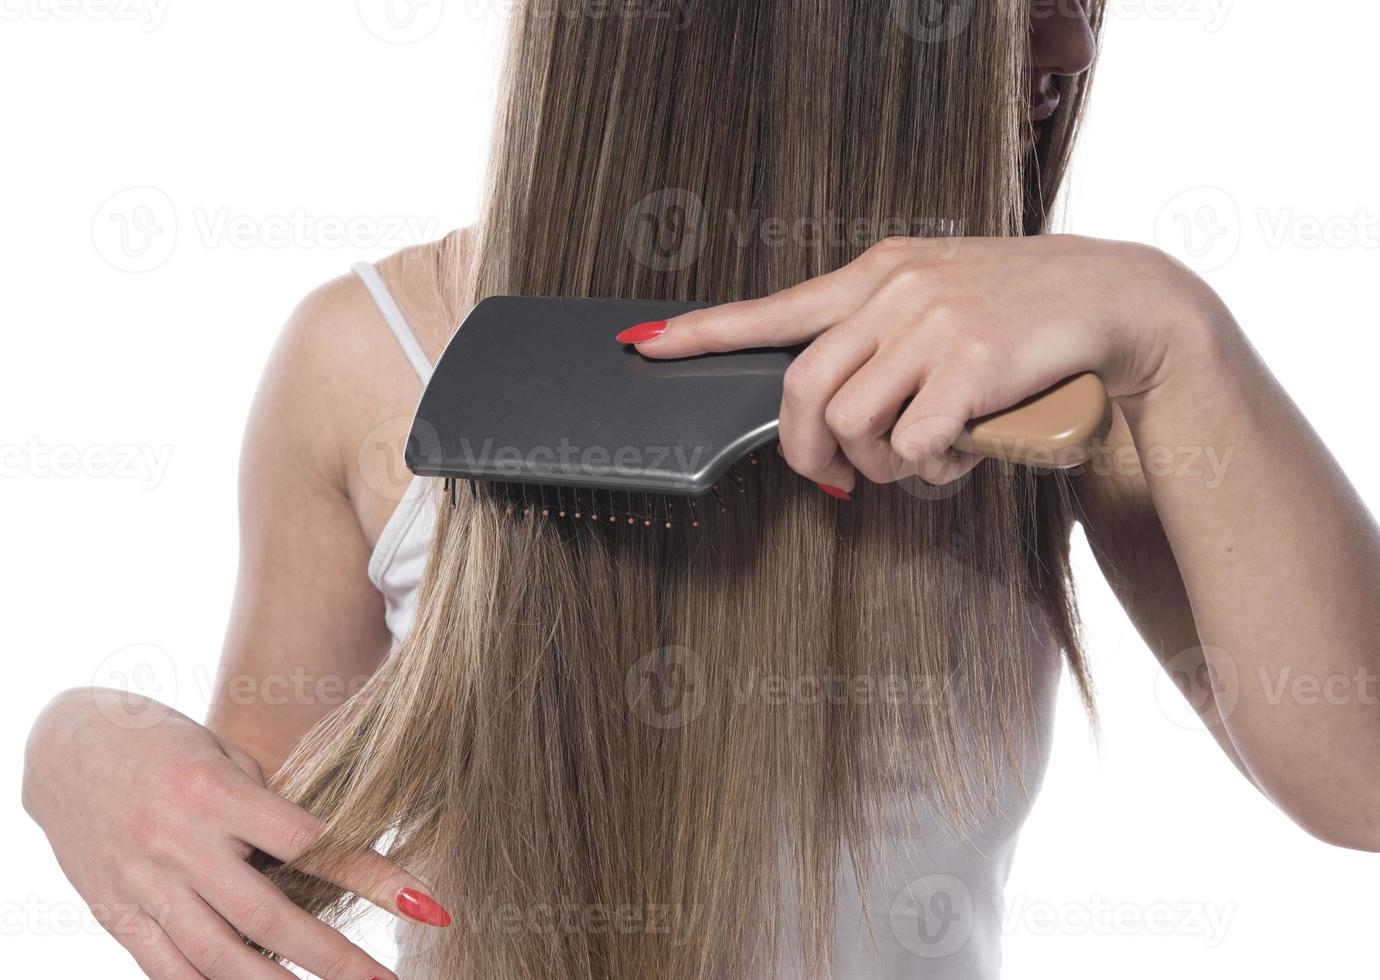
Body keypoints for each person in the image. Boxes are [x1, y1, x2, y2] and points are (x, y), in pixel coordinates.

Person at [24, 2, 1380, 978]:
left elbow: (1365, 781)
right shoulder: (369, 359)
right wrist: (72, 751)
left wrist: (1172, 320)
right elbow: (256, 878)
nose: (1077, 46)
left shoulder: (1051, 373)